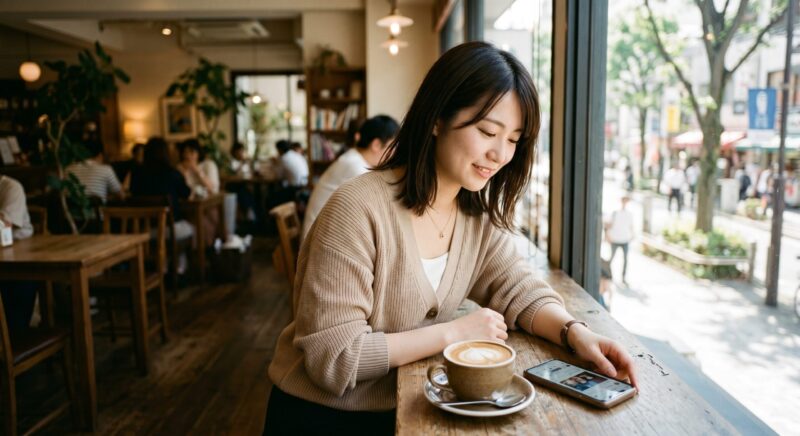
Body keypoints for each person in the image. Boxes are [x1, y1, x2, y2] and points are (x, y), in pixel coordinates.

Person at [264, 42, 638, 435]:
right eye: (488, 131)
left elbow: (518, 288)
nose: (500, 154)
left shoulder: (472, 214)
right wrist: (453, 333)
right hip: (323, 419)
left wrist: (575, 333)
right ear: (437, 118)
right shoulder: (357, 209)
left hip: (411, 411)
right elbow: (334, 357)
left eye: (513, 139)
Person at [301, 115, 400, 239]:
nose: (395, 152)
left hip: (325, 233)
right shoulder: (354, 166)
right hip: (320, 241)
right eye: (393, 146)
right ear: (376, 144)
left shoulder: (353, 159)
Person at [130, 137, 195, 266]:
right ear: (166, 153)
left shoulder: (137, 174)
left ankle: (164, 267)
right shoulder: (173, 173)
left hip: (144, 230)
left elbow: (131, 193)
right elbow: (187, 194)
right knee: (191, 228)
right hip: (169, 230)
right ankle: (179, 269)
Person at [0, 175, 36, 333]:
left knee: (23, 278)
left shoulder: (11, 187)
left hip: (19, 255)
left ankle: (16, 337)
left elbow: (3, 226)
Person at [66, 138, 124, 203]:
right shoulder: (106, 169)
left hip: (69, 212)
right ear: (100, 155)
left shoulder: (69, 169)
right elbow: (121, 196)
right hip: (97, 211)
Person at [605, 195, 634, 285]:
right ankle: (608, 275)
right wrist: (607, 236)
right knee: (611, 258)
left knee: (625, 259)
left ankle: (623, 277)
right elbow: (608, 225)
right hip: (615, 239)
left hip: (625, 239)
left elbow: (631, 226)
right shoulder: (615, 213)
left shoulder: (629, 214)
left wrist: (632, 235)